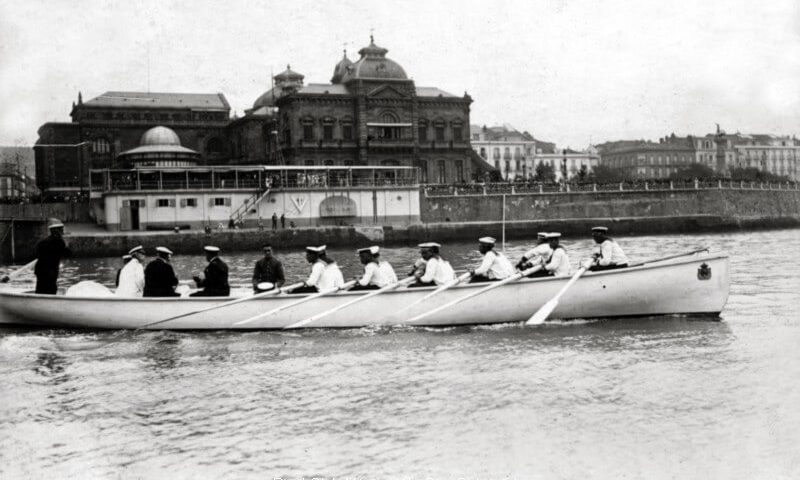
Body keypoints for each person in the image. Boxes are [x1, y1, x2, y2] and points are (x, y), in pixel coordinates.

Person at [34, 221, 71, 294]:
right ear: (56, 231)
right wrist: (67, 244)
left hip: (39, 269)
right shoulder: (59, 242)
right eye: (61, 230)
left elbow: (37, 254)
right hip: (50, 270)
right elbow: (68, 254)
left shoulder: (42, 242)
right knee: (51, 288)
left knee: (40, 288)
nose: (62, 232)